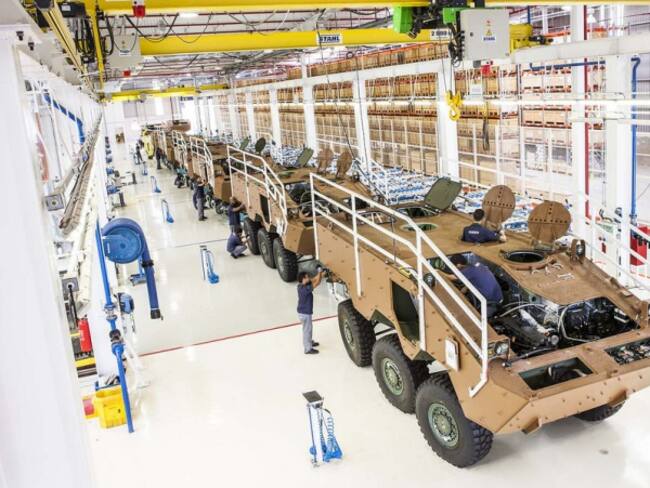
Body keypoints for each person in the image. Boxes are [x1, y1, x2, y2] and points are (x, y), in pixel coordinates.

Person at [297, 269, 325, 355]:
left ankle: (309, 342)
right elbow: (317, 282)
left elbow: (314, 279)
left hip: (303, 312)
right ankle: (308, 349)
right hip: (305, 314)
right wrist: (319, 272)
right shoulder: (304, 289)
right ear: (303, 279)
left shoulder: (300, 285)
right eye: (307, 277)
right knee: (307, 330)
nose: (308, 278)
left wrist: (322, 273)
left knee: (308, 329)